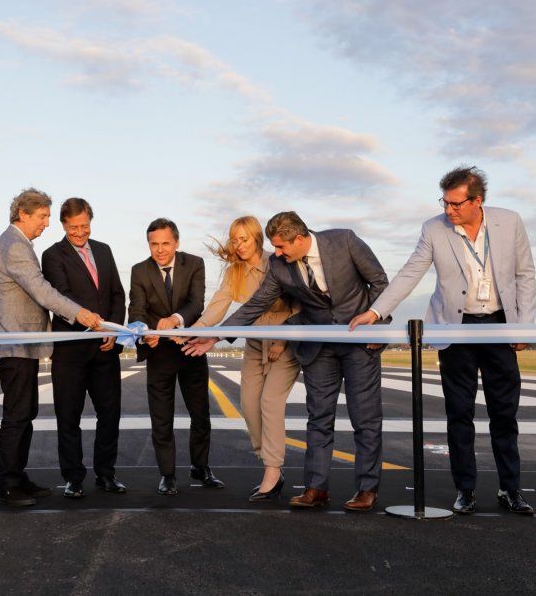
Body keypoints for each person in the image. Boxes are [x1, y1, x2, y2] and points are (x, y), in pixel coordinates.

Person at [350, 166, 536, 515]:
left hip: (500, 326)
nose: (448, 210)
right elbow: (410, 272)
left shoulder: (510, 221)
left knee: (504, 414)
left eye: (455, 204)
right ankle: (465, 490)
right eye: (445, 202)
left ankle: (510, 489)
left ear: (477, 201)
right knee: (459, 413)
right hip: (456, 327)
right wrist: (375, 313)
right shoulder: (433, 228)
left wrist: (522, 327)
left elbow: (525, 274)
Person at [184, 211, 389, 511]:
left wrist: (378, 324)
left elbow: (379, 281)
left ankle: (367, 489)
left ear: (301, 238)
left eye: (280, 247)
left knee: (365, 419)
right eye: (273, 247)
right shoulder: (281, 265)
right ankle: (316, 488)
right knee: (319, 418)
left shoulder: (344, 241)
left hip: (359, 341)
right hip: (318, 346)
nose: (276, 254)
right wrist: (216, 336)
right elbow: (257, 304)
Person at [0, 188, 103, 507]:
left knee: (25, 411)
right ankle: (8, 484)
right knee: (17, 414)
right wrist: (79, 313)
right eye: (42, 216)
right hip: (13, 340)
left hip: (23, 342)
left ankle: (18, 477)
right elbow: (41, 291)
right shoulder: (15, 246)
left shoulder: (18, 243)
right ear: (22, 213)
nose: (47, 223)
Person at [190, 216, 300, 502]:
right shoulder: (233, 272)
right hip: (254, 342)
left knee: (270, 402)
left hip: (284, 341)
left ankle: (272, 471)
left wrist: (282, 339)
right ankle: (267, 459)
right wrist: (195, 332)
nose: (239, 245)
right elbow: (218, 306)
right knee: (249, 404)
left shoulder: (277, 262)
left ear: (256, 238)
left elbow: (299, 304)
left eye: (244, 239)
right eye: (235, 239)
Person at [129, 218, 223, 495]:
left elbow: (196, 303)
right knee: (161, 418)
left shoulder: (194, 264)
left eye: (165, 243)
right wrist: (144, 330)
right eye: (154, 244)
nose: (159, 250)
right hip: (159, 353)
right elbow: (136, 309)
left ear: (176, 242)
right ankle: (167, 474)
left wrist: (175, 318)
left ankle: (201, 468)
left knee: (201, 414)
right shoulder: (139, 271)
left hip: (190, 348)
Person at [41, 198, 127, 498]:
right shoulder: (52, 255)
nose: (80, 233)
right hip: (72, 351)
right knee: (68, 417)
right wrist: (94, 326)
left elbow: (117, 293)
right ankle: (73, 478)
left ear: (91, 221)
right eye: (74, 227)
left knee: (110, 414)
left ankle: (106, 474)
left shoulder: (104, 250)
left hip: (106, 350)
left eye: (85, 226)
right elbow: (62, 298)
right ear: (64, 225)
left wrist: (114, 329)